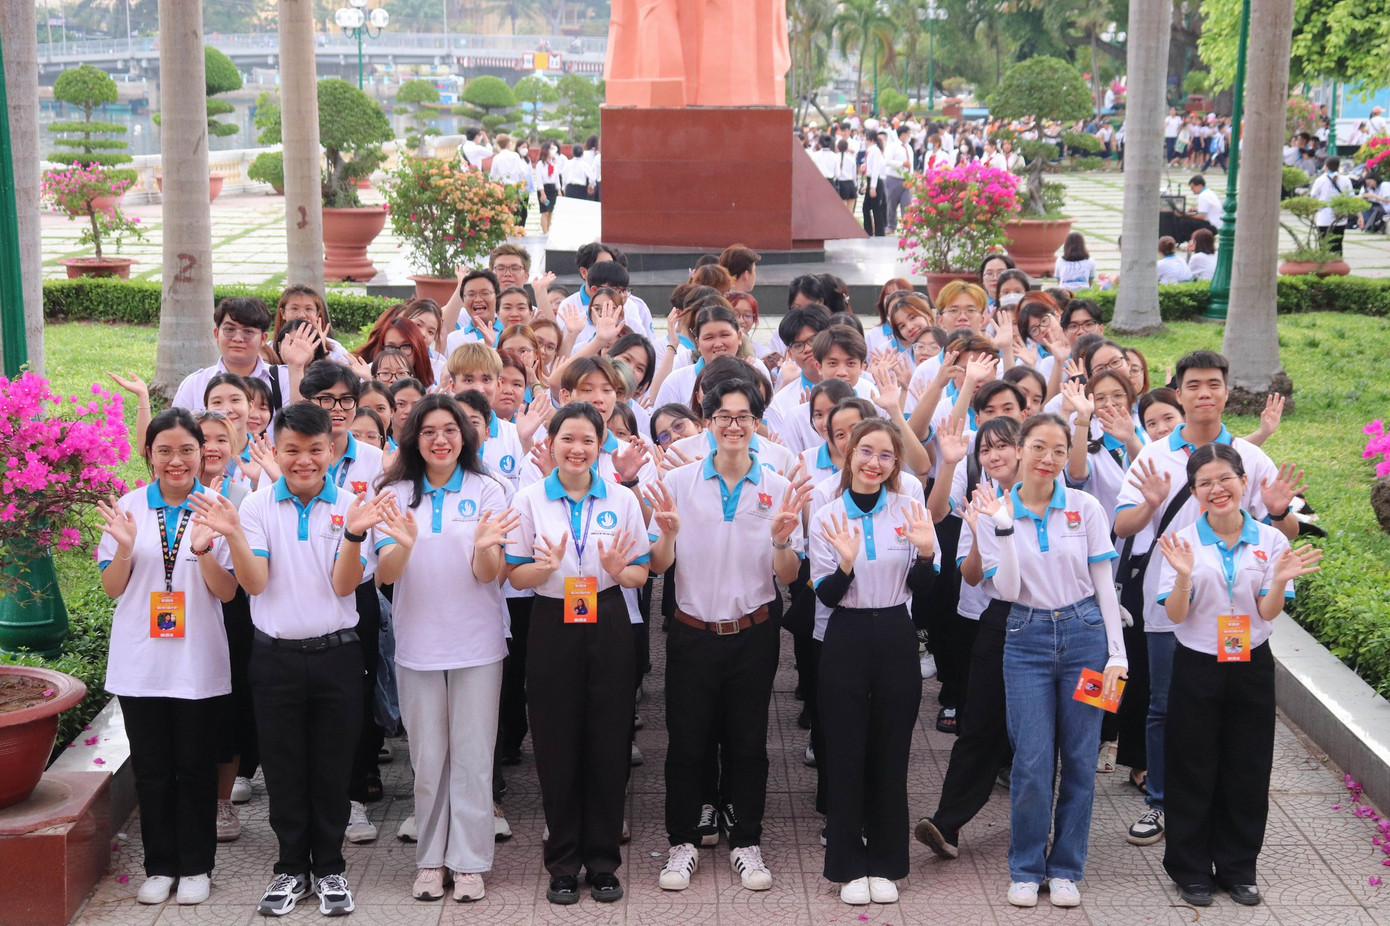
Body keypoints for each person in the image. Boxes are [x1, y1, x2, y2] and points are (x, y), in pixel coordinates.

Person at [189, 403, 392, 917]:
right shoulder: (256, 507)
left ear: (331, 450)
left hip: (338, 656)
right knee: (282, 769)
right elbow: (252, 585)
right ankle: (290, 869)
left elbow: (345, 585)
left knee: (331, 767)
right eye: (292, 451)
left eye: (315, 450)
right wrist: (233, 531)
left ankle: (329, 869)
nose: (304, 461)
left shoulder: (354, 506)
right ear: (276, 451)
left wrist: (352, 534)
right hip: (274, 659)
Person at [1113, 350, 1302, 853]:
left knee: (1227, 711)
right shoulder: (1152, 456)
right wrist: (1151, 504)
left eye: (1213, 384)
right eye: (1193, 384)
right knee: (1163, 704)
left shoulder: (1250, 457)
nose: (1204, 393)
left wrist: (1282, 511)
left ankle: (1214, 805)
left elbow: (1279, 530)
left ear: (1225, 390)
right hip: (1169, 603)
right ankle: (1161, 800)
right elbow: (1121, 527)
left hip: (1234, 610)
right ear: (1177, 392)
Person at [646, 379, 809, 894]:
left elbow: (787, 576)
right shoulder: (679, 482)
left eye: (743, 417)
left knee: (748, 743)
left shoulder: (780, 488)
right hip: (693, 630)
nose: (734, 425)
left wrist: (783, 538)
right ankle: (683, 842)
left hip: (753, 632)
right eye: (723, 416)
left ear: (756, 425)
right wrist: (667, 533)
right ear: (708, 423)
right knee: (686, 743)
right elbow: (657, 565)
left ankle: (747, 841)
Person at [1154, 444, 1321, 908]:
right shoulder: (1181, 540)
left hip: (1251, 663)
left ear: (1243, 481)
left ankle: (1238, 866)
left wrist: (1281, 580)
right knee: (1192, 766)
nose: (1217, 489)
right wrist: (1184, 576)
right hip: (1197, 664)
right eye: (1205, 482)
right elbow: (1175, 615)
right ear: (1194, 491)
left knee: (1247, 765)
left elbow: (1268, 612)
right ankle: (1190, 869)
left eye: (1225, 478)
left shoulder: (1271, 542)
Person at [974, 413, 1128, 909]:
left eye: (1059, 450)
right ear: (1020, 449)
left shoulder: (1085, 508)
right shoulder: (993, 511)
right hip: (1026, 637)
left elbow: (1104, 582)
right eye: (1038, 447)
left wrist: (1116, 652)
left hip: (1086, 638)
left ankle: (1065, 868)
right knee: (1033, 760)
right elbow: (1009, 589)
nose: (1048, 459)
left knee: (1082, 758)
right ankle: (1025, 866)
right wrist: (1002, 529)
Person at [373, 394, 517, 903]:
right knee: (429, 758)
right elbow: (386, 577)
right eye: (429, 430)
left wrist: (484, 547)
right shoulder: (392, 491)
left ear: (465, 436)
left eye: (450, 430)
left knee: (474, 756)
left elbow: (491, 575)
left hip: (478, 643)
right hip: (418, 646)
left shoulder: (489, 490)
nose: (440, 439)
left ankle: (471, 861)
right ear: (414, 436)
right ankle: (432, 859)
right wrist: (405, 544)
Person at [505, 402, 651, 905]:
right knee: (556, 742)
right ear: (551, 443)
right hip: (551, 619)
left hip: (608, 616)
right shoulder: (529, 500)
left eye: (588, 440)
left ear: (600, 446)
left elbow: (640, 575)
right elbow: (515, 576)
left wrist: (616, 565)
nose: (577, 449)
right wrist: (542, 569)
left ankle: (604, 862)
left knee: (609, 742)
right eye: (568, 438)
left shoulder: (622, 499)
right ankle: (564, 863)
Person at [97, 410, 239, 907]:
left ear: (203, 452)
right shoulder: (129, 508)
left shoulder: (217, 508)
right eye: (165, 450)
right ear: (149, 454)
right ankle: (159, 866)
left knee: (196, 767)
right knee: (153, 769)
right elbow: (113, 588)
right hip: (141, 663)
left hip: (197, 663)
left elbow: (227, 593)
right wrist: (124, 550)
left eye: (186, 450)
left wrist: (203, 551)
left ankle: (197, 865)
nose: (176, 460)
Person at [809, 418, 938, 905]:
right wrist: (845, 563)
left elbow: (922, 590)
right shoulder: (827, 515)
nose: (874, 463)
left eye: (885, 455)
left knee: (890, 750)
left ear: (895, 463)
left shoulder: (910, 508)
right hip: (845, 633)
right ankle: (846, 864)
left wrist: (926, 555)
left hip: (895, 632)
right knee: (844, 752)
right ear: (848, 454)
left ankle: (886, 862)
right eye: (866, 451)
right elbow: (824, 595)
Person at [172, 297, 294, 414]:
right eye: (230, 330)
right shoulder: (194, 385)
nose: (237, 338)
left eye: (248, 332)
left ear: (263, 338)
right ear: (216, 334)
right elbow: (177, 432)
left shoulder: (284, 379)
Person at [1310, 157, 1354, 254]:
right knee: (1338, 244)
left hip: (1323, 217)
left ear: (1326, 166)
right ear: (1338, 166)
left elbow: (1313, 198)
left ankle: (1324, 265)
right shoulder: (1346, 180)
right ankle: (1338, 264)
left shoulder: (1320, 180)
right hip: (1340, 217)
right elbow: (1351, 198)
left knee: (1324, 244)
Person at [861, 131, 888, 236]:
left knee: (875, 208)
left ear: (870, 139)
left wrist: (872, 187)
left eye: (866, 138)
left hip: (875, 181)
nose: (864, 141)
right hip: (871, 180)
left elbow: (875, 170)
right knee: (866, 207)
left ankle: (878, 232)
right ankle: (869, 231)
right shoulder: (871, 151)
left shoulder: (875, 151)